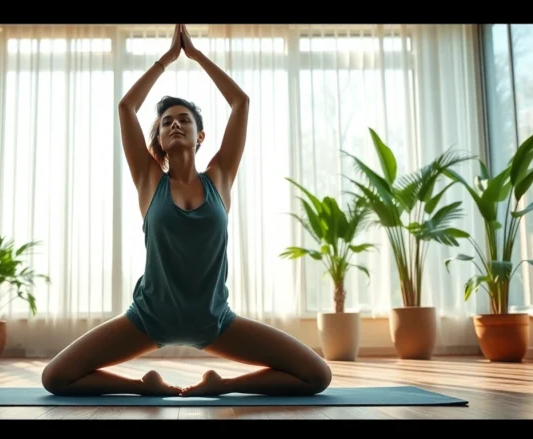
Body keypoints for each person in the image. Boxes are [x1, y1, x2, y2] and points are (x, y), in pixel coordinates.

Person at [41, 24, 332, 397]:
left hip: (214, 321)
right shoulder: (150, 182)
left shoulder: (220, 179)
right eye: (166, 122)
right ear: (159, 141)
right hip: (149, 318)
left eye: (184, 120)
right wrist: (166, 59)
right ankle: (144, 387)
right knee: (55, 377)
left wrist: (195, 56)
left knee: (316, 375)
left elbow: (240, 103)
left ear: (200, 137)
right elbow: (126, 107)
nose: (175, 123)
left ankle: (220, 385)